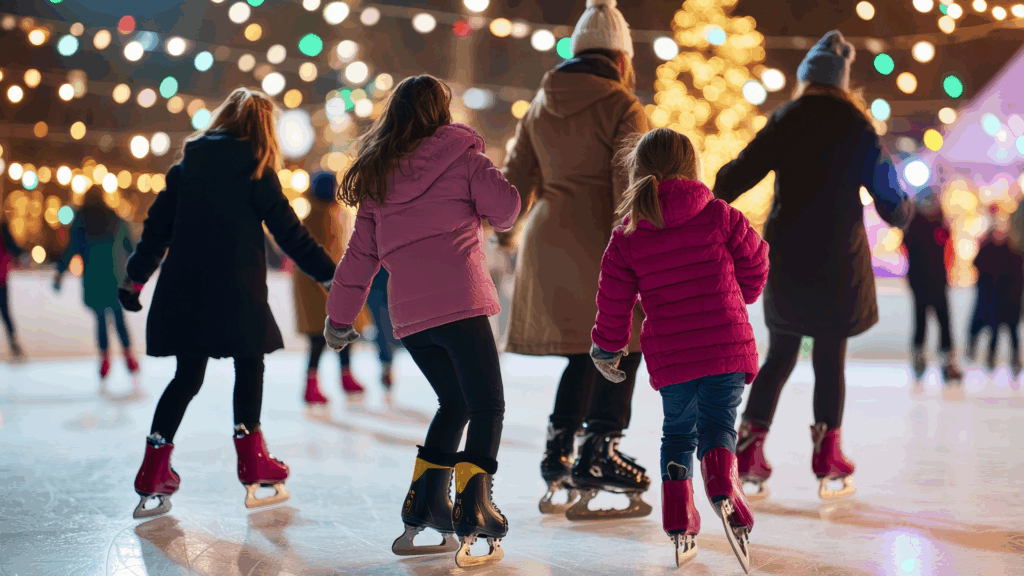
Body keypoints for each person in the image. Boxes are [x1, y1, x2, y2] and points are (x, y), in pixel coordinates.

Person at [323, 75, 519, 567]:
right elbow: (508, 211)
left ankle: (427, 503)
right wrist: (493, 171)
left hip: (410, 318)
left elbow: (359, 257)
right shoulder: (466, 159)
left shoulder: (378, 179)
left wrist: (339, 318)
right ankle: (474, 506)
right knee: (487, 404)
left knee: (454, 403)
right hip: (462, 304)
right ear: (441, 112)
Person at [713, 31, 913, 501]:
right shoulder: (857, 127)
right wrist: (903, 206)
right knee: (829, 356)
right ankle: (827, 455)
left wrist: (710, 203)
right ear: (842, 82)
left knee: (781, 353)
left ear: (806, 79)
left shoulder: (787, 118)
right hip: (838, 260)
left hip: (787, 256)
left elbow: (733, 177)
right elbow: (891, 204)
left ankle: (747, 450)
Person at [121, 88, 336, 519]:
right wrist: (332, 275)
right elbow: (291, 235)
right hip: (236, 291)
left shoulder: (185, 169)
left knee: (186, 377)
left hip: (185, 290)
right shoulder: (256, 170)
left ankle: (152, 470)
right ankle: (252, 459)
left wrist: (134, 278)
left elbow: (156, 229)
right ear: (263, 128)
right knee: (249, 363)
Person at [499, 0, 652, 519]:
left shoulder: (539, 104)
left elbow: (513, 184)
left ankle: (558, 452)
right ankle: (599, 451)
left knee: (579, 352)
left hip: (545, 237)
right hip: (598, 236)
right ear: (620, 56)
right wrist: (637, 248)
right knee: (624, 343)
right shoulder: (623, 105)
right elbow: (629, 187)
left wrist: (500, 234)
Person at [590, 129, 768, 571]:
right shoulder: (720, 216)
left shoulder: (628, 235)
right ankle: (723, 485)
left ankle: (679, 517)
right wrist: (740, 294)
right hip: (725, 344)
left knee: (678, 433)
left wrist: (607, 347)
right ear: (693, 168)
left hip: (674, 357)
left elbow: (613, 301)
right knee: (718, 426)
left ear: (638, 172)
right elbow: (758, 261)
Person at [291, 171, 366, 410]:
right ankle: (316, 384)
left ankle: (340, 377)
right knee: (322, 336)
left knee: (337, 333)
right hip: (322, 286)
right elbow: (334, 253)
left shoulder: (322, 215)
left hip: (325, 285)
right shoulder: (322, 217)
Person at [54, 192, 140, 383]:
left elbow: (71, 249)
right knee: (118, 317)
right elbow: (131, 247)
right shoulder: (116, 219)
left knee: (101, 317)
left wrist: (60, 273)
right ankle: (128, 355)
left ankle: (104, 358)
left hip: (94, 277)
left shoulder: (81, 222)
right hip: (115, 276)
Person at [901, 190, 963, 387]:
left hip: (934, 281)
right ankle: (922, 358)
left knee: (941, 321)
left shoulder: (934, 224)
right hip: (924, 281)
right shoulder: (917, 225)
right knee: (924, 322)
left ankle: (944, 360)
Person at [969, 219, 1024, 376]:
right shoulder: (990, 249)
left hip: (1009, 300)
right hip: (996, 300)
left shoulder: (1013, 252)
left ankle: (1013, 361)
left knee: (1011, 332)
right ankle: (992, 360)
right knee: (996, 331)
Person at [0, 216, 25, 361]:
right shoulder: (3, 230)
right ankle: (14, 345)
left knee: (6, 313)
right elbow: (14, 249)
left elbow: (14, 249)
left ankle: (14, 345)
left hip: (1, 279)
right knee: (6, 313)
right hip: (2, 279)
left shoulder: (3, 230)